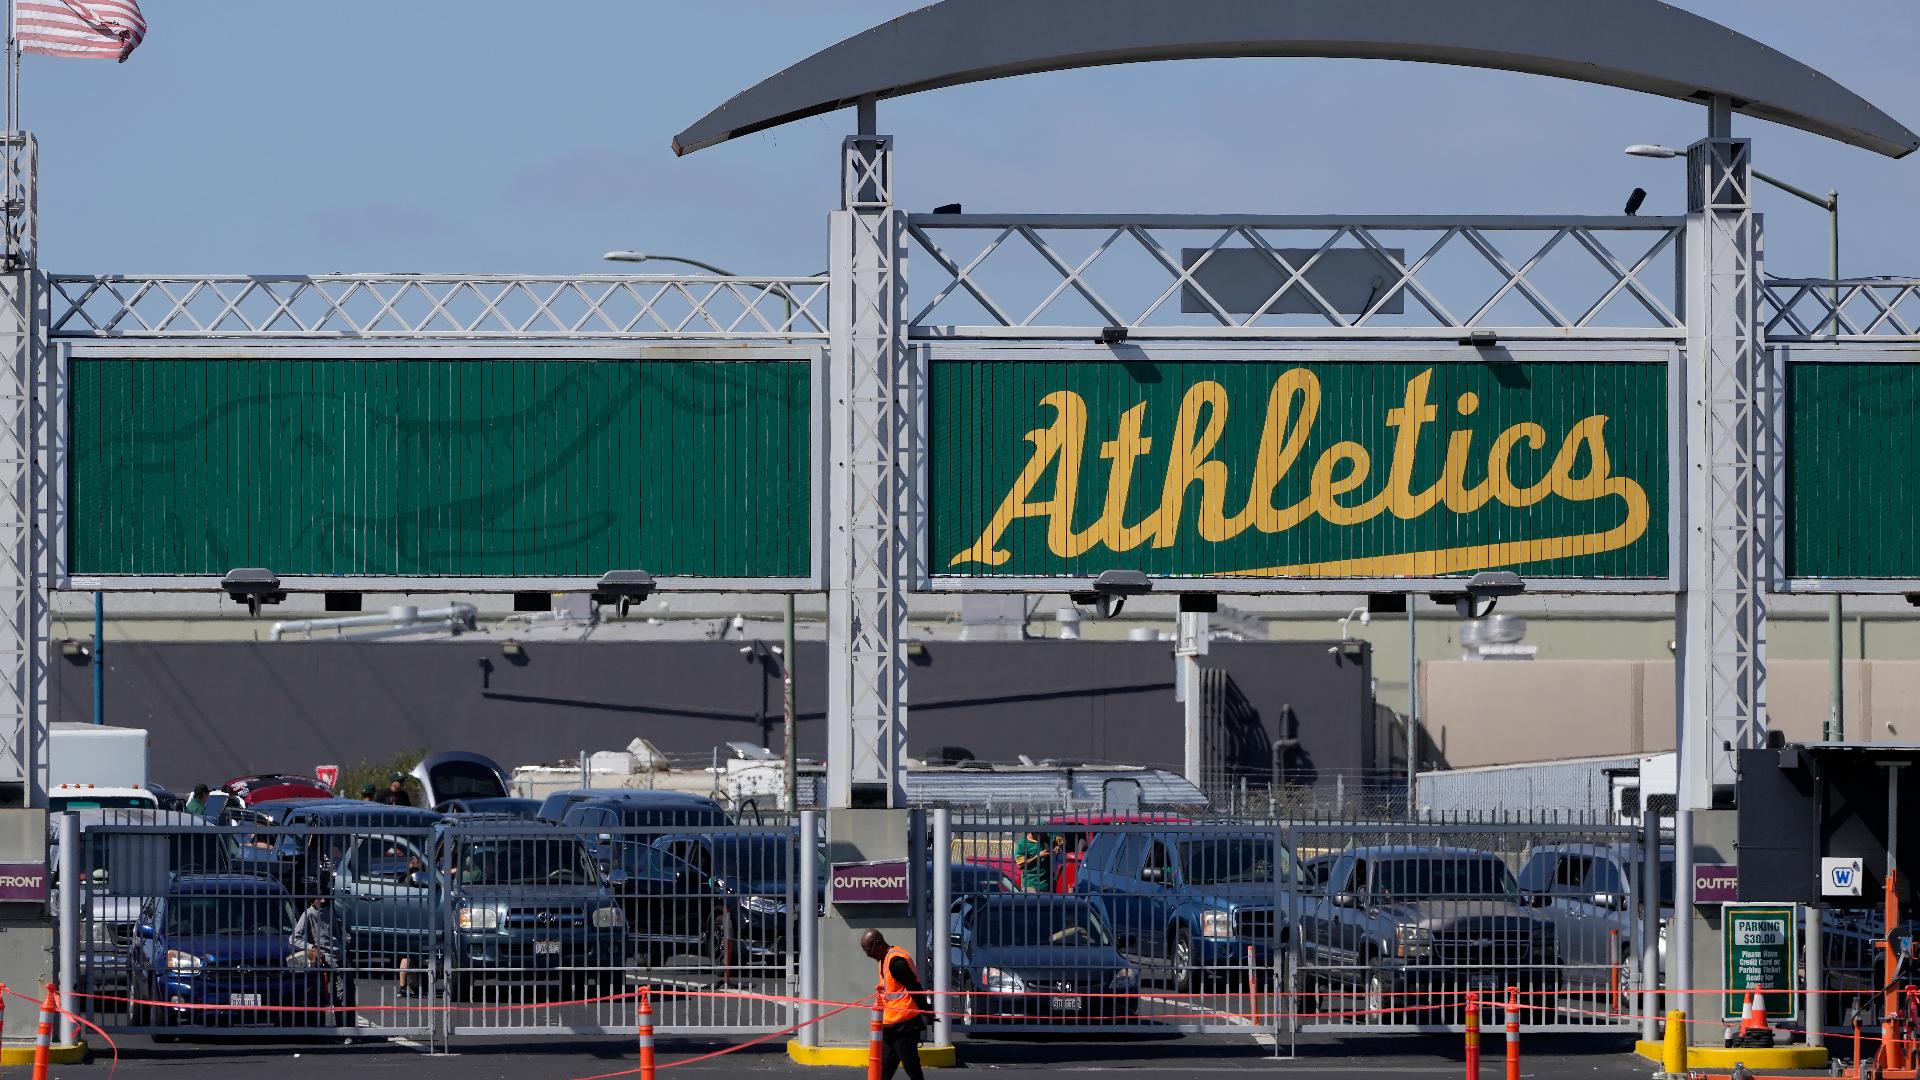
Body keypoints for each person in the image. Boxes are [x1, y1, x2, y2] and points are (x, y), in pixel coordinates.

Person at [860, 929, 929, 1080]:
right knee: (884, 1067)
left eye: (869, 950)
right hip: (891, 1023)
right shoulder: (883, 960)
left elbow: (914, 987)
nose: (868, 955)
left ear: (878, 944)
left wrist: (927, 1011)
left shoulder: (896, 962)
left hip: (905, 1024)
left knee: (911, 1066)